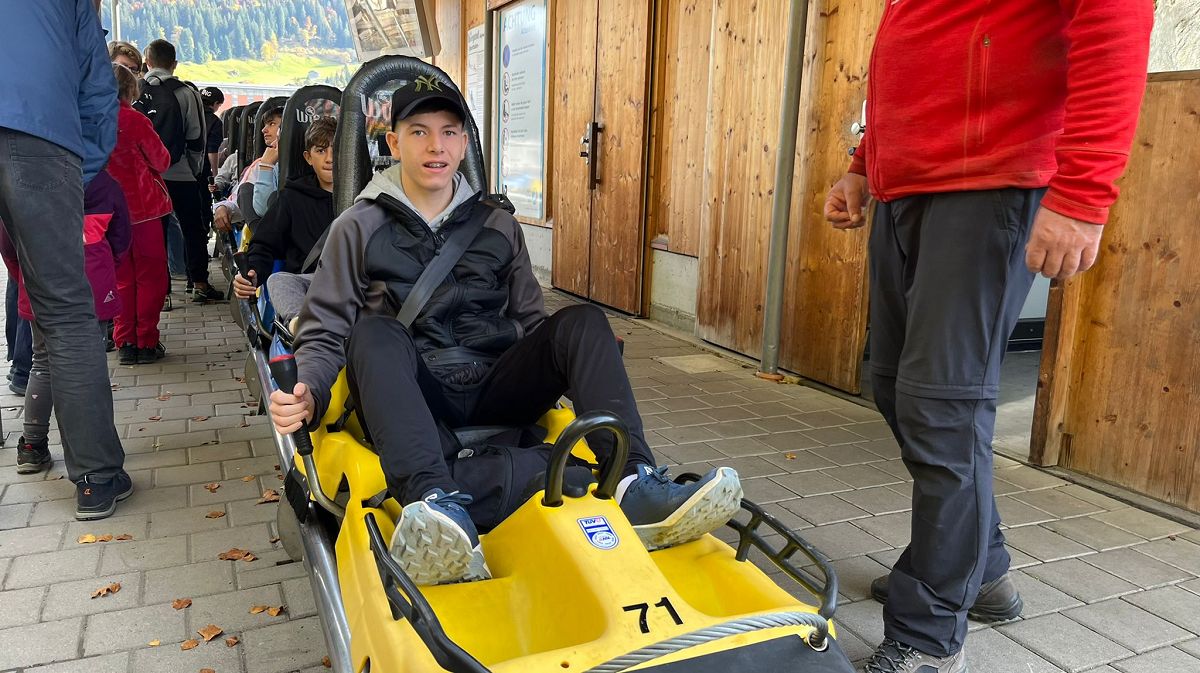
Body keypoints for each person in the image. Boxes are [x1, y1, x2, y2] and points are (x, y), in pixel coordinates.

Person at [268, 81, 744, 586]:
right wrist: (310, 391)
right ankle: (434, 503)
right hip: (415, 395)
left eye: (449, 132)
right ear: (394, 143)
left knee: (583, 321)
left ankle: (633, 482)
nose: (436, 146)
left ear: (464, 144)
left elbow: (535, 326)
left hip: (497, 387)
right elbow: (325, 328)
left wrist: (589, 364)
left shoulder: (498, 225)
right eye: (419, 132)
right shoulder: (357, 226)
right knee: (373, 333)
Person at [822, 3, 1154, 672]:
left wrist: (1082, 193)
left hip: (987, 181)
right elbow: (912, 53)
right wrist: (863, 163)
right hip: (905, 187)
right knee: (893, 385)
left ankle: (928, 632)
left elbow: (1114, 21)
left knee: (942, 406)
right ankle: (984, 569)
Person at [0, 0, 132, 520]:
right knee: (67, 313)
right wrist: (76, 175)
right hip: (39, 134)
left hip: (38, 133)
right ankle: (96, 478)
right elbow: (97, 88)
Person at [9, 170, 131, 475]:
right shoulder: (103, 181)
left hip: (39, 281)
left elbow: (7, 242)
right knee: (89, 365)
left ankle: (32, 446)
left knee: (42, 362)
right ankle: (96, 452)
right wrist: (103, 266)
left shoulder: (22, 178)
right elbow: (121, 236)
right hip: (91, 282)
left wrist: (22, 274)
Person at [232, 117, 337, 324]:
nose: (329, 159)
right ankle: (302, 326)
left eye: (337, 150)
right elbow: (264, 244)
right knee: (278, 280)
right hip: (311, 282)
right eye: (321, 151)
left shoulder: (367, 197)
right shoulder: (292, 197)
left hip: (358, 283)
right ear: (308, 157)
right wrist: (252, 272)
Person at [140, 40, 219, 304]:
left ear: (147, 62)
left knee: (155, 233)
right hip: (181, 172)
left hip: (148, 176)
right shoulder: (186, 92)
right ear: (174, 64)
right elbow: (196, 136)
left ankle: (161, 294)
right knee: (192, 227)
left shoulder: (137, 89)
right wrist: (195, 170)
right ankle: (199, 284)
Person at [108, 64, 173, 365]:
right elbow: (161, 161)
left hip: (107, 213)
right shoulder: (135, 120)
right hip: (143, 210)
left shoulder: (90, 121)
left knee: (120, 279)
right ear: (131, 90)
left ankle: (124, 342)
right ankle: (146, 342)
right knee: (150, 277)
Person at [212, 106, 284, 235]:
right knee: (246, 190)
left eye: (272, 124)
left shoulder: (311, 159)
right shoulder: (258, 165)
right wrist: (222, 207)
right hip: (268, 228)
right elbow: (239, 200)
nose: (264, 130)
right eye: (264, 125)